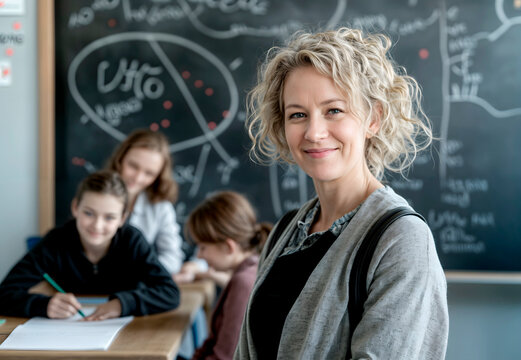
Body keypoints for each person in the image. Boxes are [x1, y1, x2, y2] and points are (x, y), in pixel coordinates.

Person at [235, 27, 449, 359]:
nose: (314, 132)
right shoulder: (286, 230)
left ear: (373, 119)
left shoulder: (401, 239)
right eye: (298, 115)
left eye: (334, 110)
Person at [0, 170, 180, 320]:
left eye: (109, 217)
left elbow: (170, 293)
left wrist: (122, 304)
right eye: (89, 213)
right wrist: (44, 305)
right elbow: (4, 294)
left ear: (122, 219)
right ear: (75, 208)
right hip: (67, 333)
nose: (97, 225)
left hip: (127, 332)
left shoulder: (132, 241)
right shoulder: (56, 242)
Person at [185, 191, 272, 360]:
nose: (200, 256)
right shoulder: (249, 270)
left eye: (203, 247)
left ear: (228, 247)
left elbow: (224, 356)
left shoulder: (243, 282)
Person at [106, 129, 186, 277]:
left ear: (158, 176)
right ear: (120, 159)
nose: (137, 177)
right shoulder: (95, 194)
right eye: (133, 166)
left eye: (149, 173)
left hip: (138, 284)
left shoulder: (161, 208)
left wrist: (140, 272)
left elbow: (173, 258)